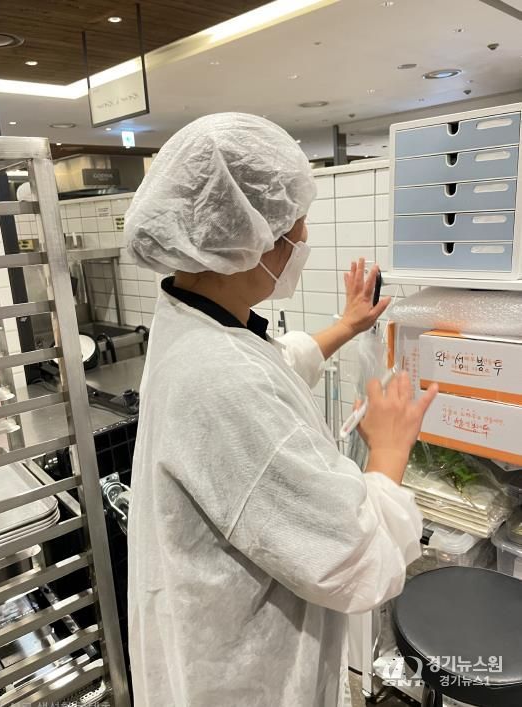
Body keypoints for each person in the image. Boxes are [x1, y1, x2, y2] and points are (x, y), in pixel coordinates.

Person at [125, 112, 437, 707]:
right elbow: (355, 561)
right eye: (295, 224)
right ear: (250, 239)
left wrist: (346, 326)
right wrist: (390, 449)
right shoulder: (223, 380)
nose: (303, 237)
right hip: (243, 683)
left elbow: (272, 362)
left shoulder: (191, 319)